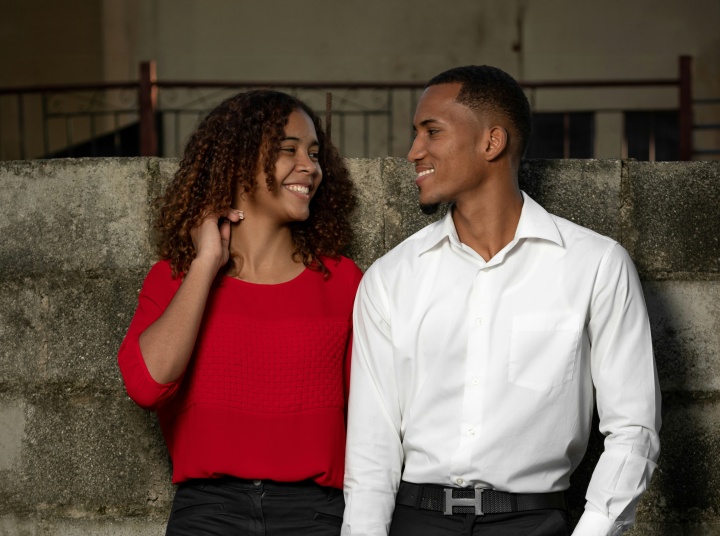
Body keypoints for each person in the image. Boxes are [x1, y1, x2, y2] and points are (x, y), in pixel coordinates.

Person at [342, 66, 661, 536]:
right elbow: (372, 450)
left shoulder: (595, 265)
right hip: (417, 520)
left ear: (492, 143)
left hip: (534, 521)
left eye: (432, 131)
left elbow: (634, 428)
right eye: (415, 134)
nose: (413, 152)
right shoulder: (391, 278)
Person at [118, 89, 362, 536]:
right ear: (236, 163)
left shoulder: (344, 282)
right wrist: (205, 263)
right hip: (207, 513)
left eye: (314, 153)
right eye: (288, 150)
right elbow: (147, 385)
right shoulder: (175, 280)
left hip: (317, 515)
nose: (309, 166)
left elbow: (372, 420)